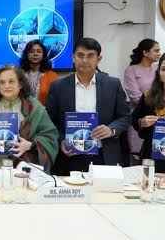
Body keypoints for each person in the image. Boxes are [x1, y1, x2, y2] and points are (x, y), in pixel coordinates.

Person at [46, 38, 131, 175]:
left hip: (104, 155)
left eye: (90, 56)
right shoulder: (58, 86)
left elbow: (126, 117)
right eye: (80, 55)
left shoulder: (113, 84)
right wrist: (61, 140)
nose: (85, 60)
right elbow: (49, 121)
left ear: (98, 59)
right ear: (73, 58)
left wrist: (112, 129)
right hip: (70, 156)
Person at [0, 65, 58, 171]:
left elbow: (50, 136)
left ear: (20, 84)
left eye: (11, 81)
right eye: (2, 82)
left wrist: (30, 145)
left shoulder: (33, 107)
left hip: (24, 169)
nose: (6, 86)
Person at [123, 39, 160, 163]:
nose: (159, 53)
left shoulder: (159, 69)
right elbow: (134, 95)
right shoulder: (131, 70)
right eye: (156, 50)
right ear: (145, 52)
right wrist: (152, 107)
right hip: (140, 116)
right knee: (137, 157)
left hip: (161, 117)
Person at [19, 39, 59, 105]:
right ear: (26, 54)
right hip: (22, 111)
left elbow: (57, 100)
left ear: (43, 54)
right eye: (31, 51)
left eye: (39, 51)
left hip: (44, 111)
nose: (35, 54)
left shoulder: (52, 76)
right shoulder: (19, 75)